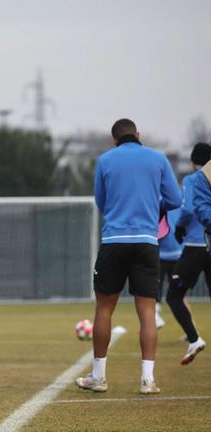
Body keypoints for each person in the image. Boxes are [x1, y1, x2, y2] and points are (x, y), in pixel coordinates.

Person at [76, 118, 181, 395]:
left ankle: (98, 377)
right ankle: (147, 380)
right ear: (138, 134)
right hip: (147, 242)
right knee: (147, 312)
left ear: (115, 140)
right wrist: (152, 203)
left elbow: (101, 200)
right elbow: (175, 201)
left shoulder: (105, 160)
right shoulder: (157, 159)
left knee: (104, 309)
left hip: (114, 241)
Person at [168, 143, 211, 365]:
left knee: (173, 296)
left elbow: (187, 209)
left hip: (195, 246)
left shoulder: (193, 180)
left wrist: (179, 228)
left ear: (194, 163)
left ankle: (194, 339)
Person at [157, 207, 182, 329]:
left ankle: (191, 329)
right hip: (163, 255)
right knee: (157, 289)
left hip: (175, 254)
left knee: (177, 295)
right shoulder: (177, 199)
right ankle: (155, 316)